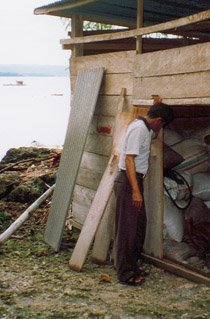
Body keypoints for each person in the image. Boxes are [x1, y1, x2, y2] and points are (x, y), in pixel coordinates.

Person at [114, 102, 174, 286]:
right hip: (128, 181)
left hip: (133, 181)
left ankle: (132, 265)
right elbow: (129, 159)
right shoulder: (139, 129)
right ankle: (126, 274)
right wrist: (135, 191)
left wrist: (154, 130)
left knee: (138, 227)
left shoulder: (146, 129)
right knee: (127, 230)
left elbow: (151, 137)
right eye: (162, 124)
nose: (161, 128)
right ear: (158, 120)